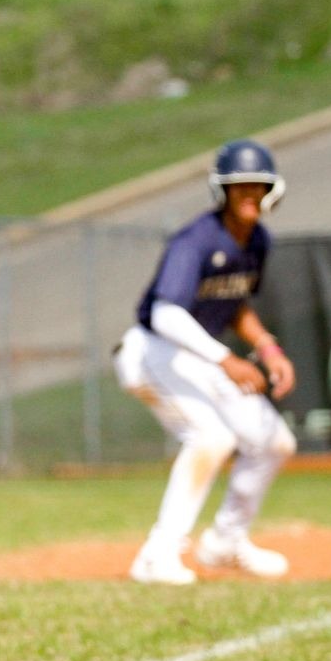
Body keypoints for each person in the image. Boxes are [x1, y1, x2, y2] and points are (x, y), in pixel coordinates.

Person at [117, 140, 298, 585]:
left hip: (200, 356)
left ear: (273, 190)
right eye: (240, 187)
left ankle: (224, 543)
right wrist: (227, 360)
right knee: (210, 438)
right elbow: (164, 314)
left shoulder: (257, 241)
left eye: (258, 186)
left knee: (274, 441)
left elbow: (235, 303)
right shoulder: (196, 240)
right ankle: (157, 556)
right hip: (151, 352)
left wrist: (268, 348)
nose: (249, 195)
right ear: (222, 191)